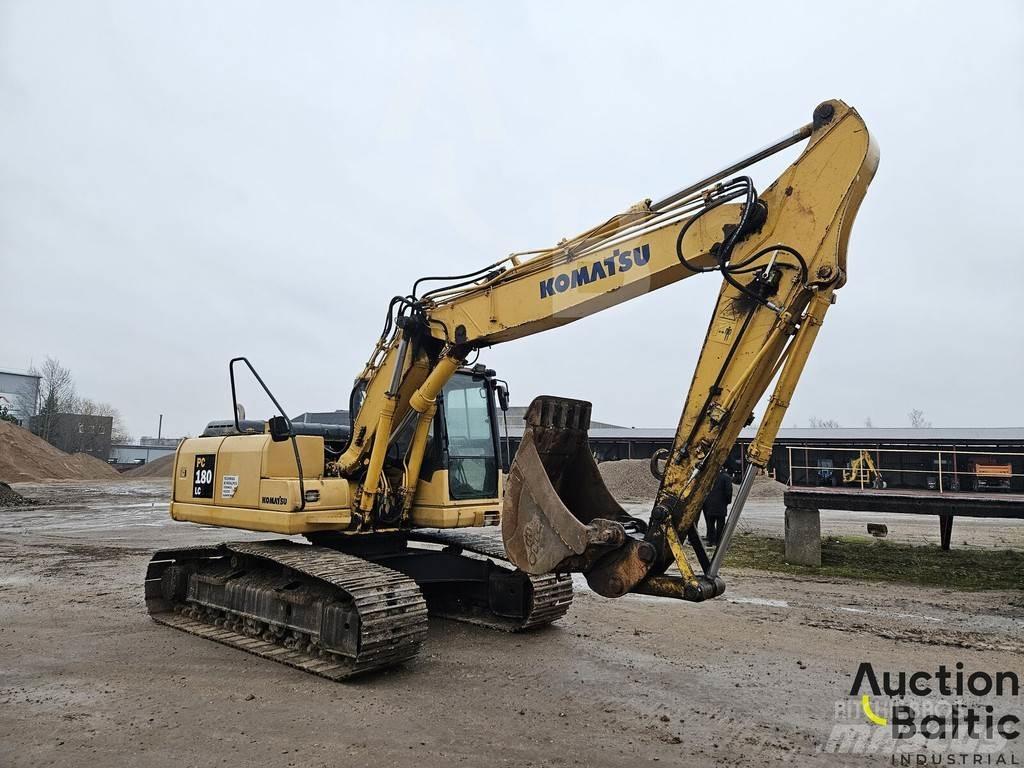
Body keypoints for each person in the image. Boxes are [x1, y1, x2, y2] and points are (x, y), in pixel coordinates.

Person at [702, 468, 733, 547]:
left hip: (709, 504)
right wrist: (728, 501)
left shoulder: (710, 476)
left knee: (710, 523)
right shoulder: (726, 477)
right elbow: (729, 491)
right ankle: (718, 541)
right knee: (720, 524)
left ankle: (710, 540)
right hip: (721, 504)